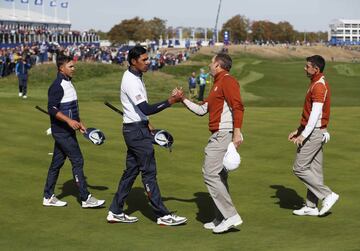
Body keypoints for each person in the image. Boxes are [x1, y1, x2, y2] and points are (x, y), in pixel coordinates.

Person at [106, 46, 187, 226]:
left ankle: (115, 211)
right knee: (149, 173)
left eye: (147, 58)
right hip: (136, 132)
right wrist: (171, 101)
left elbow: (140, 112)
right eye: (144, 60)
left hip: (136, 128)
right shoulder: (131, 81)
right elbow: (146, 108)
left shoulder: (136, 77)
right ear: (134, 62)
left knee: (131, 172)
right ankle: (162, 216)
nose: (148, 62)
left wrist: (147, 123)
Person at [178, 53, 245, 233]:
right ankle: (221, 217)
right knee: (219, 176)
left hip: (223, 134)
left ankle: (231, 216)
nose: (209, 65)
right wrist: (182, 99)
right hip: (219, 134)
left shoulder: (228, 81)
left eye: (211, 62)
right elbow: (202, 110)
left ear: (218, 65)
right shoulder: (216, 84)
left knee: (210, 173)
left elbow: (237, 106)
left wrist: (237, 132)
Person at [43, 54, 105, 208]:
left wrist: (80, 123)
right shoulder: (57, 86)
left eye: (73, 66)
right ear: (61, 68)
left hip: (67, 130)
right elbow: (51, 109)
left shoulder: (68, 83)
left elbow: (71, 109)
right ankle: (85, 198)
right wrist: (69, 121)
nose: (73, 69)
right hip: (62, 132)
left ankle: (48, 196)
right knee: (78, 160)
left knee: (56, 164)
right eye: (70, 66)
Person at [288, 55, 339, 217]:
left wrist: (303, 135)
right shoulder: (315, 83)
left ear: (315, 69)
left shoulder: (319, 86)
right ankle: (311, 206)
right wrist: (299, 129)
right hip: (316, 131)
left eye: (307, 66)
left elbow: (316, 114)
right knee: (315, 171)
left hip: (314, 132)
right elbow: (310, 113)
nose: (305, 68)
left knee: (299, 168)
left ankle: (327, 195)